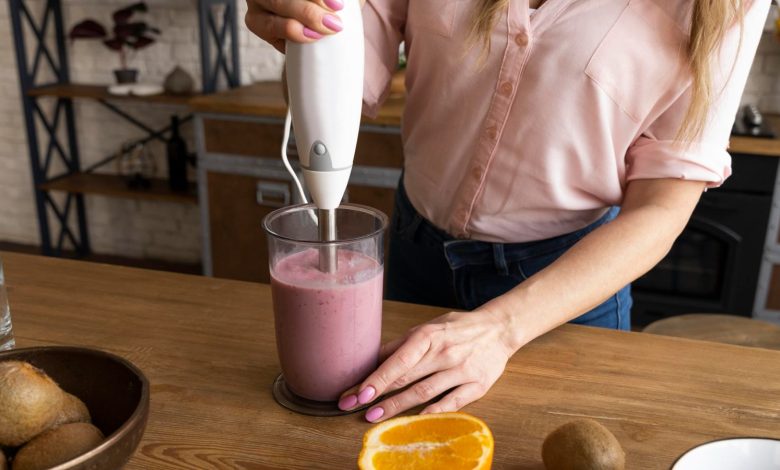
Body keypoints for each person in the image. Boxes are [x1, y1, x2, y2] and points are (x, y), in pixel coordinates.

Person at [246, 0, 770, 423]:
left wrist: (500, 330)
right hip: (413, 254)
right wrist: (302, 29)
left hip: (564, 292)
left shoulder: (724, 7)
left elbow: (661, 209)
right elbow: (344, 62)